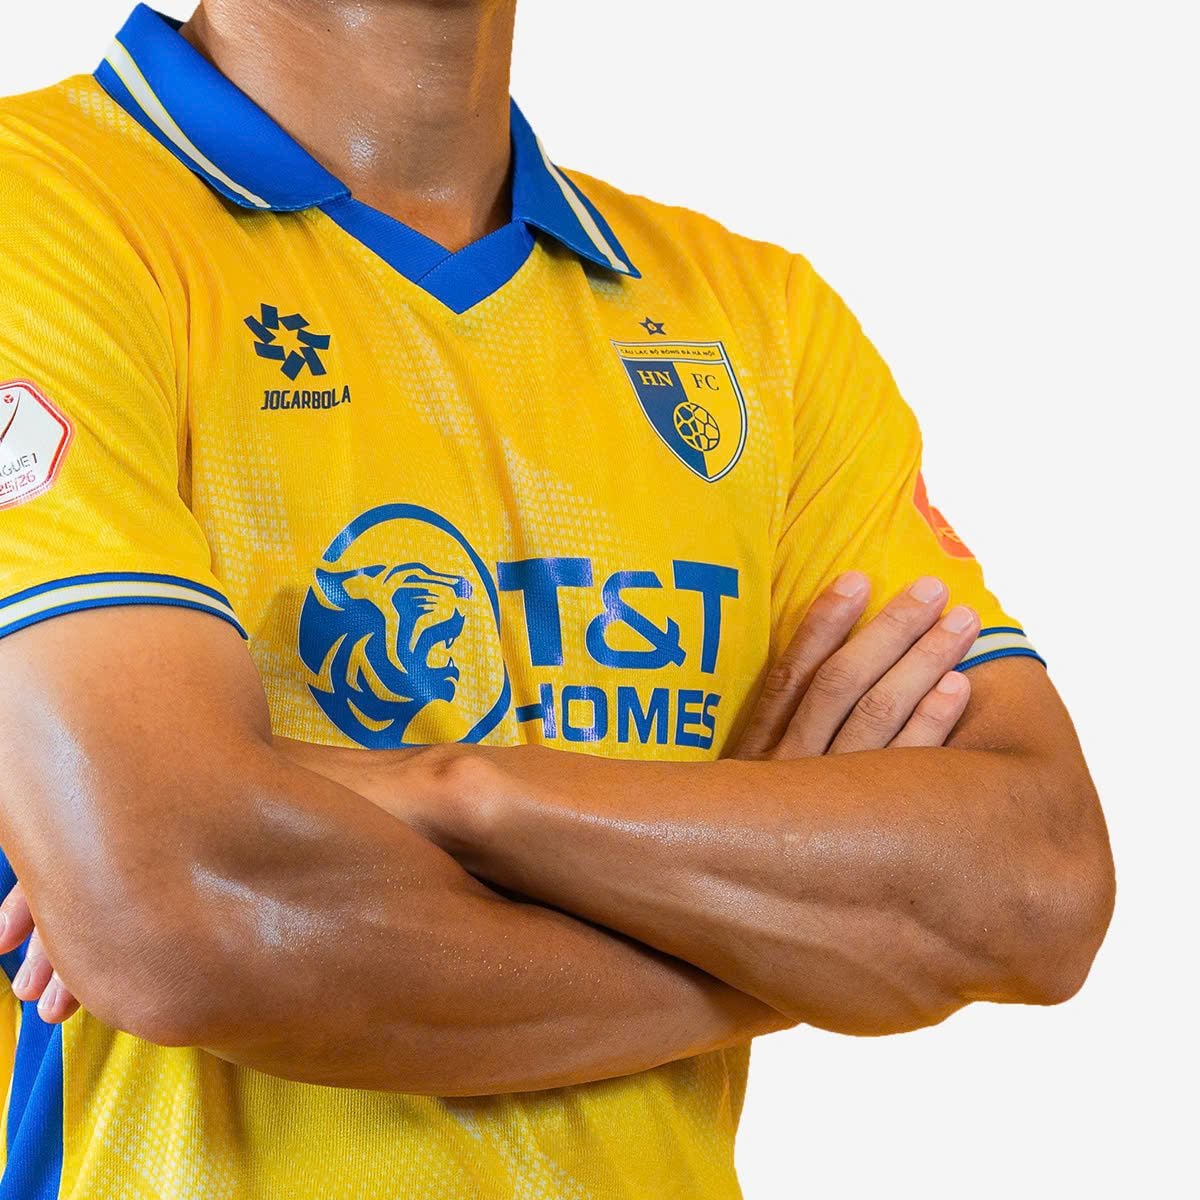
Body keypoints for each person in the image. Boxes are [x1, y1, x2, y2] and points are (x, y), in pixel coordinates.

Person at [0, 2, 1114, 1197]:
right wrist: (809, 939)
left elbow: (1037, 883)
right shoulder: (45, 211)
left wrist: (461, 793)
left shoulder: (761, 321)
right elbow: (186, 917)